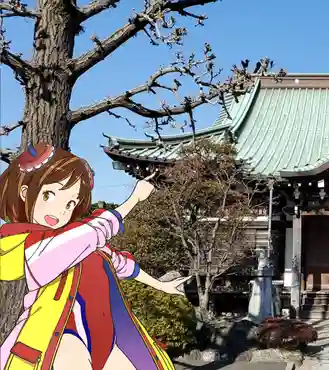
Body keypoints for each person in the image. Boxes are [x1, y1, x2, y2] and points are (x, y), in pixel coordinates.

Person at [0, 143, 190, 370]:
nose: (61, 210)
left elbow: (120, 263)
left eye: (70, 203)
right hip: (58, 330)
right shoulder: (32, 245)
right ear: (25, 193)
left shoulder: (80, 239)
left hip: (104, 331)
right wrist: (133, 200)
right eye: (50, 194)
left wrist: (161, 285)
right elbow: (90, 233)